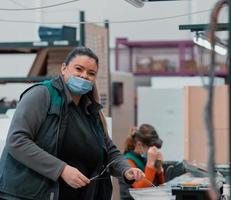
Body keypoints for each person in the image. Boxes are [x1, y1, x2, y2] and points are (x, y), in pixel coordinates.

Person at [0, 47, 144, 200]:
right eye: (78, 69)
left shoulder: (90, 108)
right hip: (29, 194)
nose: (84, 76)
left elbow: (107, 149)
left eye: (91, 73)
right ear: (63, 68)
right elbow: (17, 141)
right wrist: (61, 170)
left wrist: (126, 169)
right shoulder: (42, 95)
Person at [119, 124, 165, 200]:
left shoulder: (143, 159)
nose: (154, 151)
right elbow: (141, 191)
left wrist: (159, 169)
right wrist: (150, 164)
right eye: (151, 147)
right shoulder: (127, 161)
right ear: (139, 144)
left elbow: (160, 186)